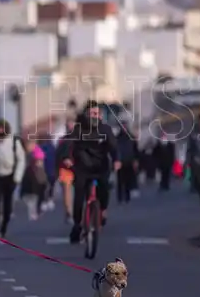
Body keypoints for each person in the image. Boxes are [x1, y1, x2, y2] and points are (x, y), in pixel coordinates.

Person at [61, 100, 120, 244]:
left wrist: (117, 160)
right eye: (92, 113)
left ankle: (102, 210)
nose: (96, 116)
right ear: (86, 115)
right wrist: (67, 158)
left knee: (104, 187)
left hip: (100, 166)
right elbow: (69, 144)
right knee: (79, 196)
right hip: (82, 168)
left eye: (98, 113)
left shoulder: (105, 129)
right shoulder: (79, 129)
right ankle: (77, 224)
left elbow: (113, 146)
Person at [0, 119, 25, 238]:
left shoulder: (14, 141)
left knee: (8, 204)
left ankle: (4, 227)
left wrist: (17, 176)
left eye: (2, 128)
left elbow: (21, 159)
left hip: (10, 176)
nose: (0, 131)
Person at [20, 138, 49, 221]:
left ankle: (36, 210)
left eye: (30, 145)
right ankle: (35, 210)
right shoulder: (27, 153)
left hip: (37, 178)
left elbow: (40, 164)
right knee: (31, 196)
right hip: (31, 178)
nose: (28, 147)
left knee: (36, 195)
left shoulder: (37, 152)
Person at [115, 123, 139, 204]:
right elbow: (114, 150)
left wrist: (135, 160)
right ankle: (120, 197)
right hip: (120, 162)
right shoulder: (117, 138)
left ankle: (127, 196)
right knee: (120, 181)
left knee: (128, 180)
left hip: (129, 161)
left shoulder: (131, 137)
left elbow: (135, 150)